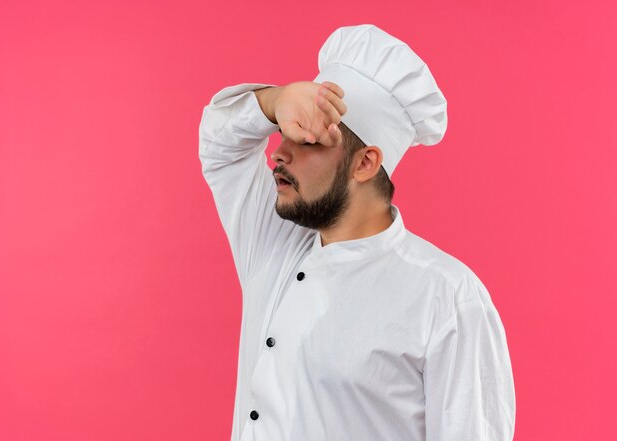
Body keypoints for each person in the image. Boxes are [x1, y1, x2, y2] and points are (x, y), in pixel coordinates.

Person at [199, 24, 515, 441]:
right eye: (283, 131)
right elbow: (220, 146)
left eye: (308, 139)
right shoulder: (274, 244)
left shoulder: (447, 296)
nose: (279, 152)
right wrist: (276, 101)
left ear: (365, 163)